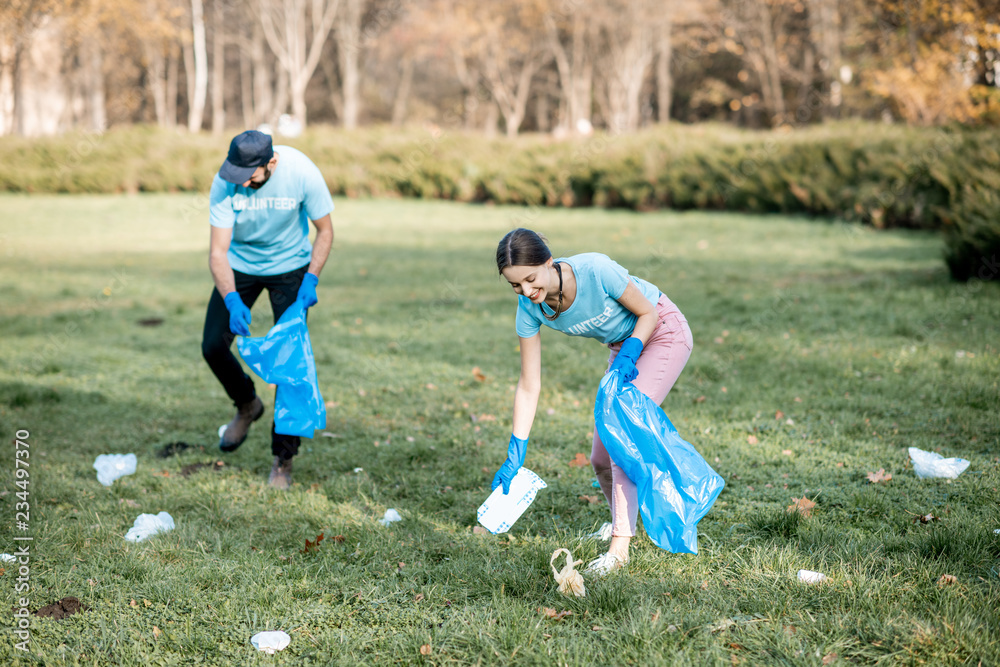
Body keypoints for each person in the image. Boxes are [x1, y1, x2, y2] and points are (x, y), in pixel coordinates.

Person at [491, 228, 693, 575]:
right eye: (515, 286)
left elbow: (649, 314)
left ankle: (620, 550)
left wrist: (631, 351)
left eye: (530, 279)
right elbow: (529, 383)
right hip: (624, 347)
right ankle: (620, 520)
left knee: (621, 437)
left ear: (549, 263)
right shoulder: (529, 308)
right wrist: (517, 446)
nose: (526, 292)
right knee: (600, 458)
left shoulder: (595, 270)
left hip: (662, 333)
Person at [201, 130, 334, 490]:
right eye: (236, 173)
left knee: (289, 362)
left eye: (249, 174)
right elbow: (217, 252)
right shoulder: (226, 182)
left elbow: (325, 231)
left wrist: (311, 278)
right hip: (240, 266)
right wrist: (231, 299)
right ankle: (247, 404)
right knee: (212, 345)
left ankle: (283, 458)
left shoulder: (302, 172)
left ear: (270, 163)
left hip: (291, 266)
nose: (241, 181)